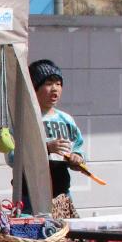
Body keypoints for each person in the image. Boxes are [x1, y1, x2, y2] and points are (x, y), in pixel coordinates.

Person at [31, 59, 85, 216]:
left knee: (65, 238)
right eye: (48, 83)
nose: (55, 89)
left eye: (58, 84)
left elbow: (78, 148)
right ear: (34, 87)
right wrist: (47, 148)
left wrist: (77, 159)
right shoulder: (25, 119)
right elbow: (13, 157)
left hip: (62, 194)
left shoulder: (66, 119)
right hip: (30, 196)